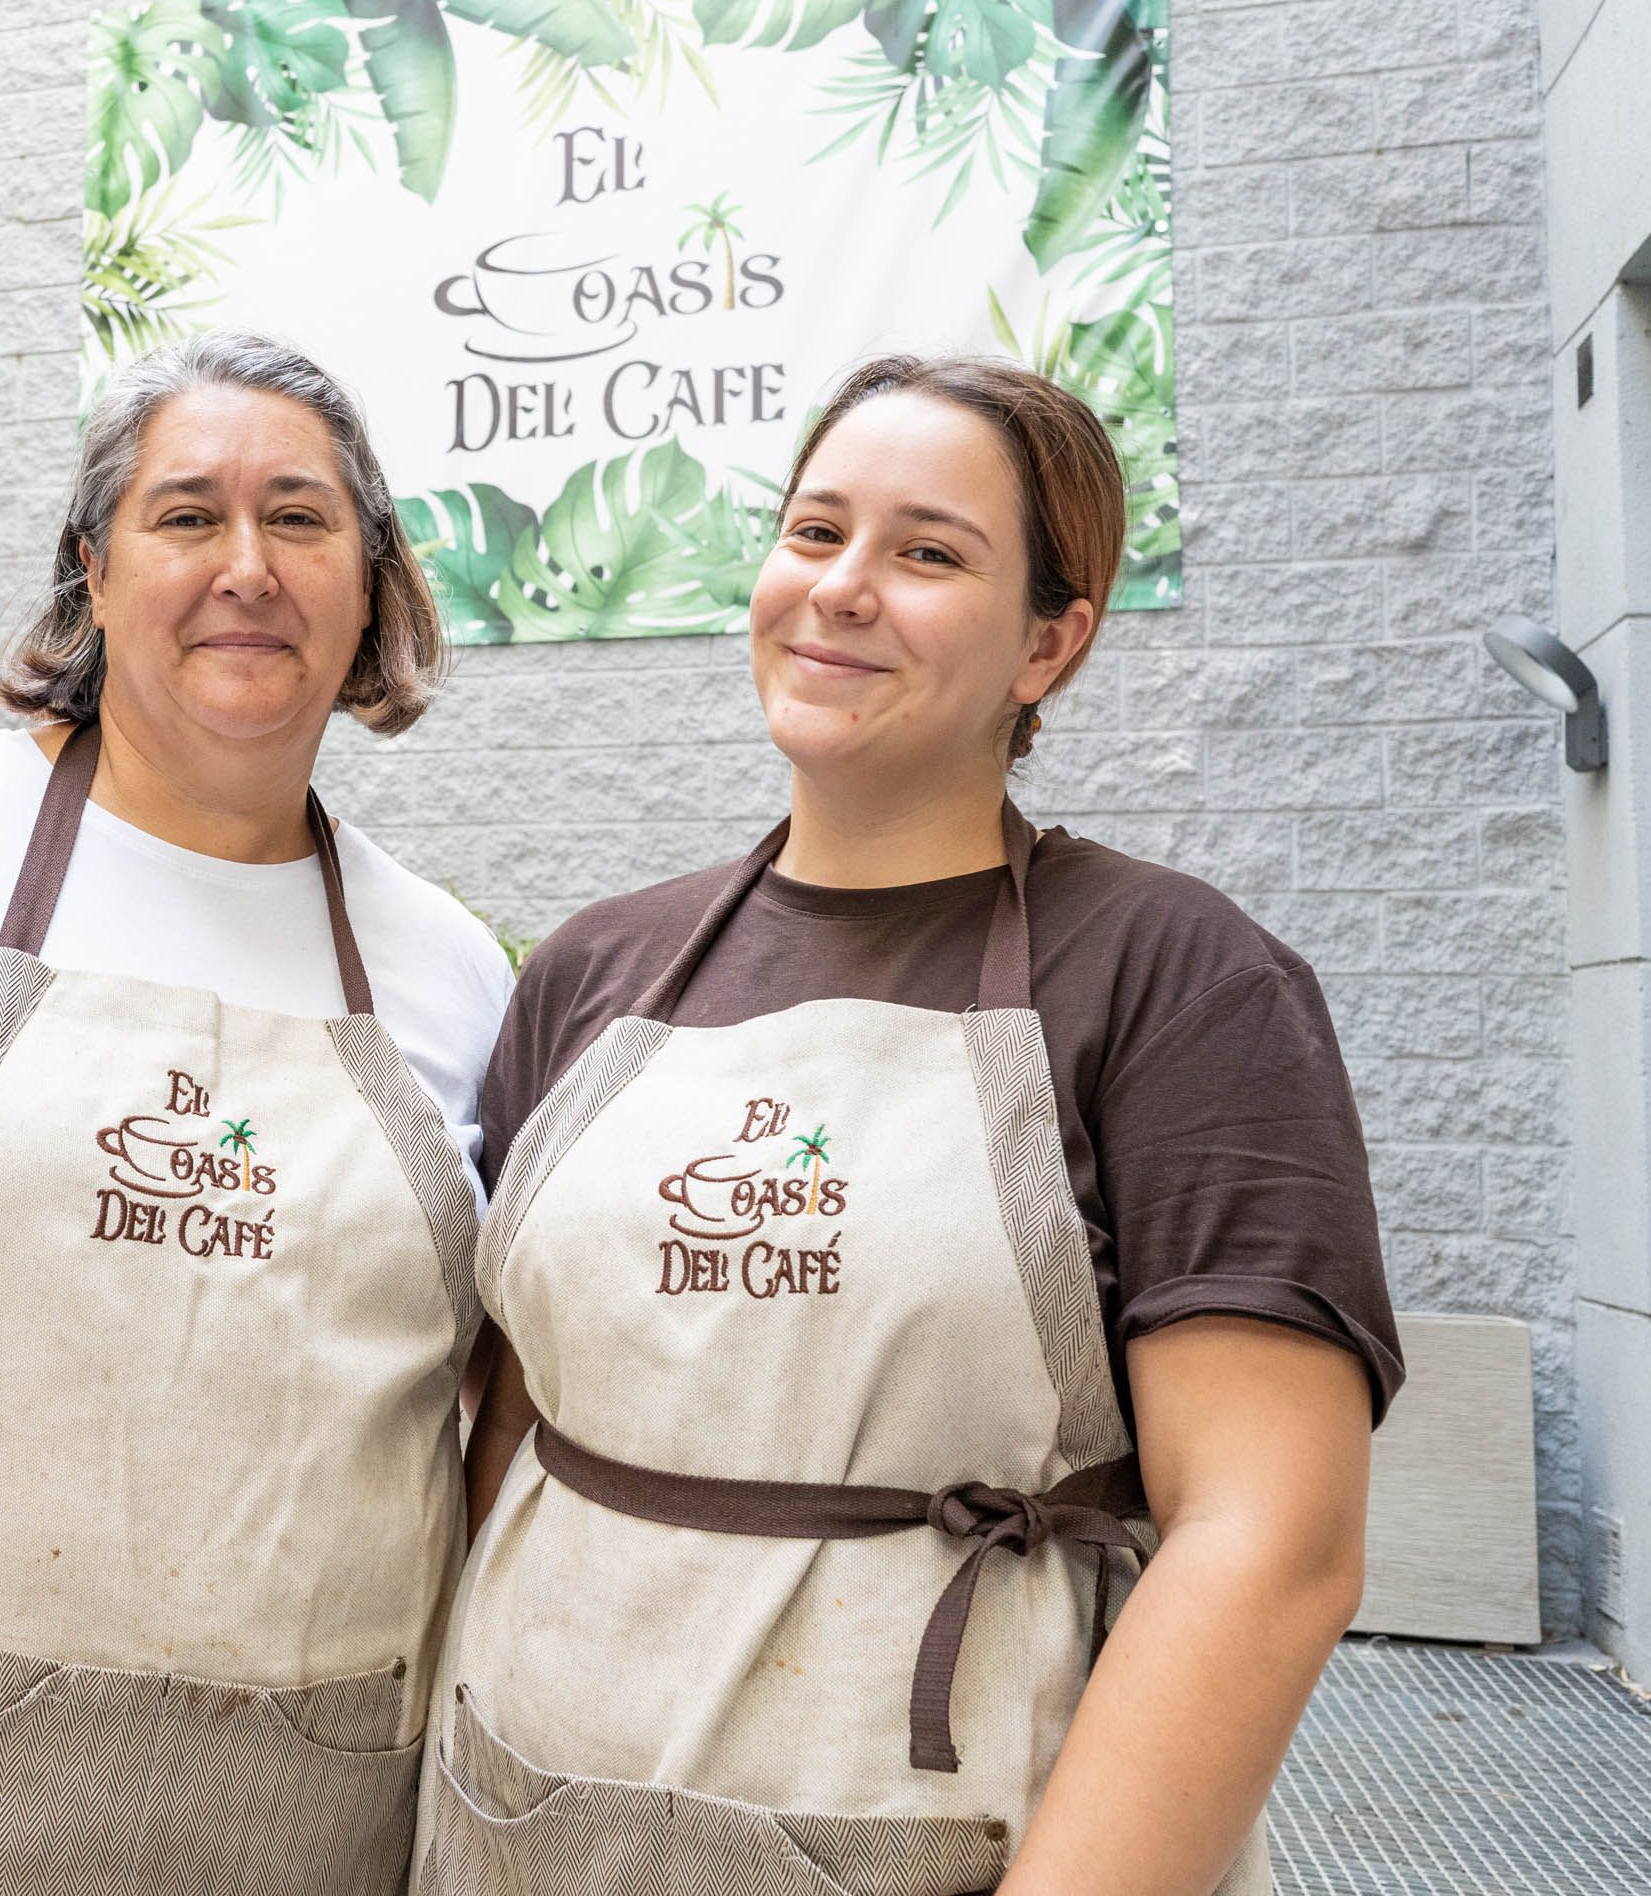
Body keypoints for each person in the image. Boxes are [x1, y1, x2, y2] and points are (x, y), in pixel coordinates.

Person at [431, 356, 1402, 1896]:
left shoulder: (1181, 981)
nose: (844, 590)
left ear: (1050, 642)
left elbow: (1271, 1547)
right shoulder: (591, 973)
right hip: (527, 1814)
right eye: (815, 533)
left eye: (929, 553)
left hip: (946, 1827)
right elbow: (507, 1429)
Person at [0, 331, 513, 1894]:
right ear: (93, 570)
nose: (247, 567)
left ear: (370, 584)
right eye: (185, 516)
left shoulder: (447, 967)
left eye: (299, 520)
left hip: (317, 1805)